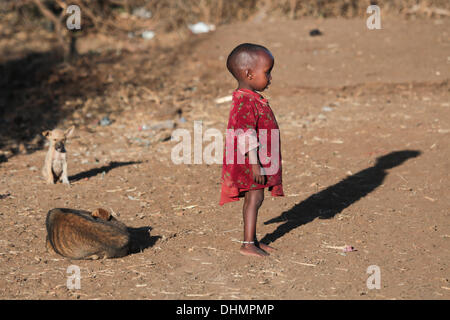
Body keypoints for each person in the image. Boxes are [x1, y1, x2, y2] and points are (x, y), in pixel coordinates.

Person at [220, 43, 284, 257]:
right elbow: (245, 134)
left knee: (256, 199)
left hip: (256, 160)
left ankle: (253, 240)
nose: (270, 78)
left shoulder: (250, 98)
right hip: (251, 163)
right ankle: (248, 244)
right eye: (267, 72)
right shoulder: (245, 102)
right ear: (249, 74)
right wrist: (255, 165)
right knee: (254, 200)